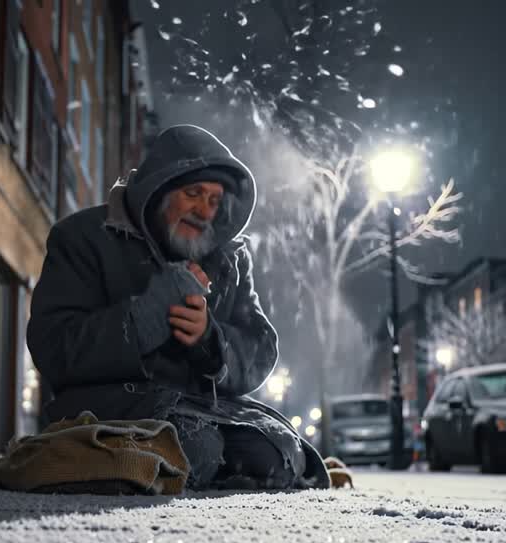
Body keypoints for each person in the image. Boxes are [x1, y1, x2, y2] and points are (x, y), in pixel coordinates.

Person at [26, 124, 329, 490]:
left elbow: (260, 347)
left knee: (277, 454)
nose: (204, 210)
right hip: (112, 405)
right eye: (193, 193)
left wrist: (211, 342)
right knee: (194, 446)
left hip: (200, 409)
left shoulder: (228, 261)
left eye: (214, 201)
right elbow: (53, 345)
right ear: (158, 189)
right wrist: (148, 316)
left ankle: (166, 472)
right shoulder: (83, 237)